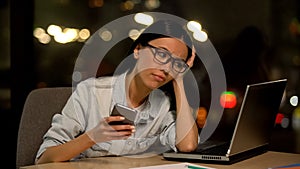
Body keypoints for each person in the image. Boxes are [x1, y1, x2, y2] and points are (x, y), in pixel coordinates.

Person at [35, 19, 199, 164]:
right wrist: (92, 137)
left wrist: (179, 79)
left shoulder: (162, 104)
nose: (166, 68)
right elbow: (45, 157)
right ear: (138, 50)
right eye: (162, 54)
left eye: (176, 63)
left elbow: (188, 146)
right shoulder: (91, 92)